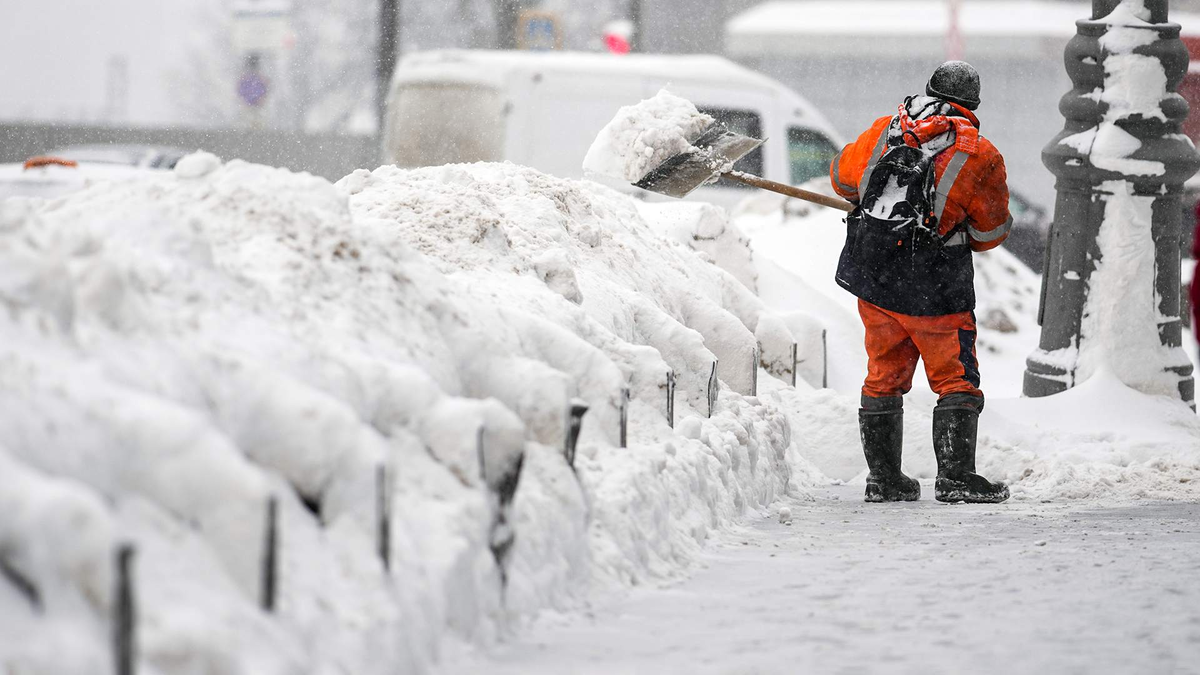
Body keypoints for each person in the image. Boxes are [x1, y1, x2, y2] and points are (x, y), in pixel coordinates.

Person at [828, 61, 1012, 504]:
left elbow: (840, 180)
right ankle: (954, 478)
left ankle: (884, 479)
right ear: (972, 105)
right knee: (955, 380)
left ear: (927, 91)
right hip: (935, 289)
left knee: (882, 375)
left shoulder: (885, 128)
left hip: (874, 279)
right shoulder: (980, 154)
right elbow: (990, 235)